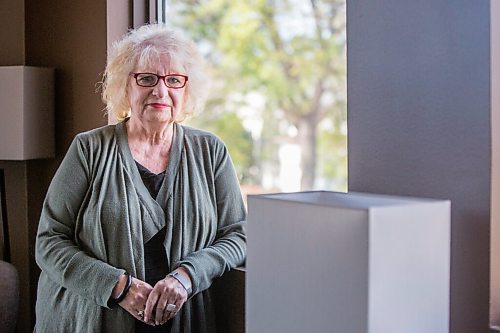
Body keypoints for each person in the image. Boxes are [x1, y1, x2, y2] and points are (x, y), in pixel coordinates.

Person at [34, 24, 247, 333]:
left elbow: (238, 234)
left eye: (174, 80)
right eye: (146, 78)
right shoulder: (88, 149)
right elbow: (49, 242)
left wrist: (187, 276)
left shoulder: (210, 151)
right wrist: (118, 287)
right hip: (93, 319)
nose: (160, 91)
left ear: (186, 90)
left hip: (183, 320)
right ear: (126, 86)